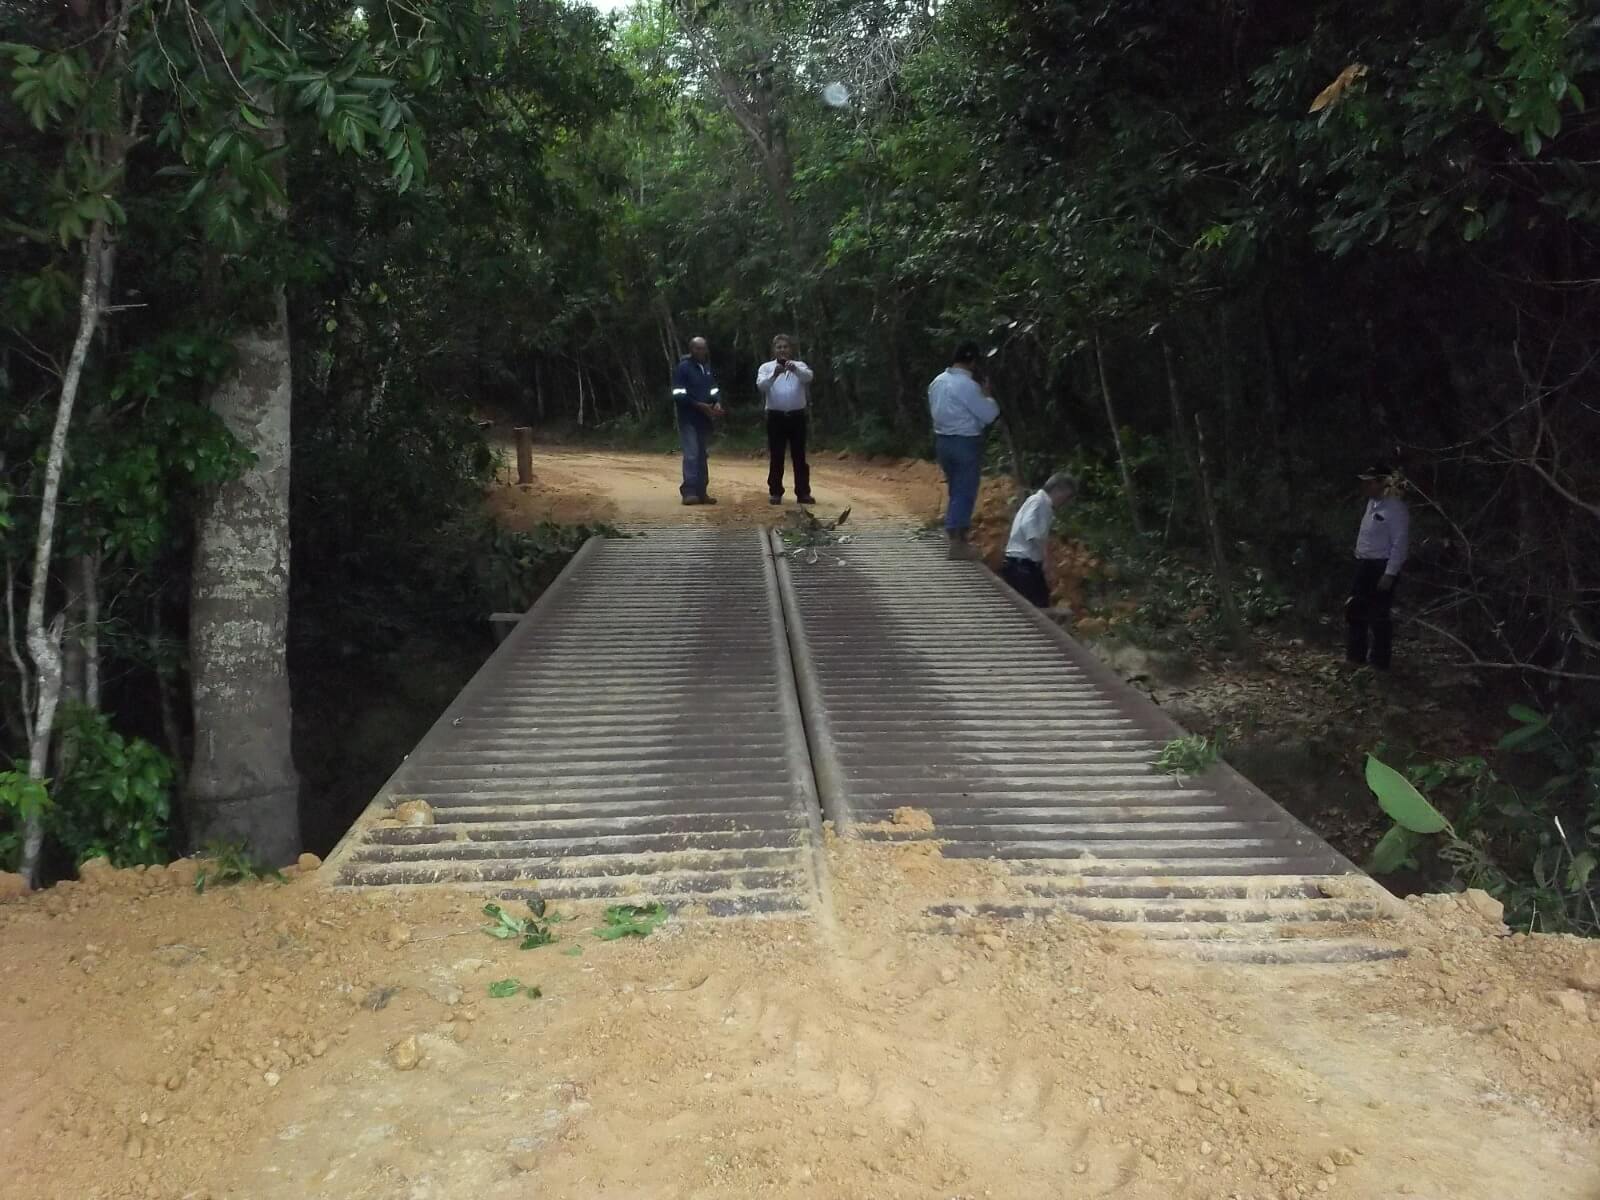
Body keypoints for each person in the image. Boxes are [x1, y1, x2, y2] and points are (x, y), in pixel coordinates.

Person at [928, 341, 999, 559]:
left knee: (956, 489)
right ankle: (957, 542)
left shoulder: (937, 382)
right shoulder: (967, 385)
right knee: (964, 491)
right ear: (972, 362)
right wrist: (988, 396)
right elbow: (988, 415)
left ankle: (954, 533)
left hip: (943, 442)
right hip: (965, 442)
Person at [1346, 462, 1410, 670]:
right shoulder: (1371, 504)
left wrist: (1390, 573)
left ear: (1383, 483)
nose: (1366, 487)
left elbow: (1399, 543)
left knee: (1379, 615)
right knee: (1355, 610)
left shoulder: (1396, 509)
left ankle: (1380, 662)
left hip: (1381, 567)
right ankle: (1355, 658)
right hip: (1363, 564)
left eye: (1370, 482)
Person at [1001, 472, 1077, 607]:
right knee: (1035, 609)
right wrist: (1046, 558)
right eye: (1066, 497)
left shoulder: (1042, 504)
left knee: (1038, 606)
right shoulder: (1039, 501)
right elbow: (1030, 528)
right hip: (1022, 565)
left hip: (1025, 565)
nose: (1065, 502)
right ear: (1058, 489)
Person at [756, 334, 815, 505]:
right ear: (774, 350)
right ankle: (775, 492)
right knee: (777, 456)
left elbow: (808, 377)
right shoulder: (766, 368)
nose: (782, 350)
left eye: (785, 347)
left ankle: (803, 492)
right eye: (779, 347)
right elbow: (761, 387)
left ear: (791, 349)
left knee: (799, 456)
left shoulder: (800, 366)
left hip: (797, 416)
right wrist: (775, 375)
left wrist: (795, 369)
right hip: (776, 417)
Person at [671, 336, 724, 505]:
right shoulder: (683, 368)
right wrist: (698, 405)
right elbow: (678, 394)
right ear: (691, 349)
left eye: (703, 348)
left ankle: (702, 492)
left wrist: (716, 403)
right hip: (689, 417)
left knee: (702, 455)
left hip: (705, 418)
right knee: (692, 454)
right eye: (697, 348)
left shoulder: (706, 368)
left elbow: (714, 389)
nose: (700, 351)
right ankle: (689, 491)